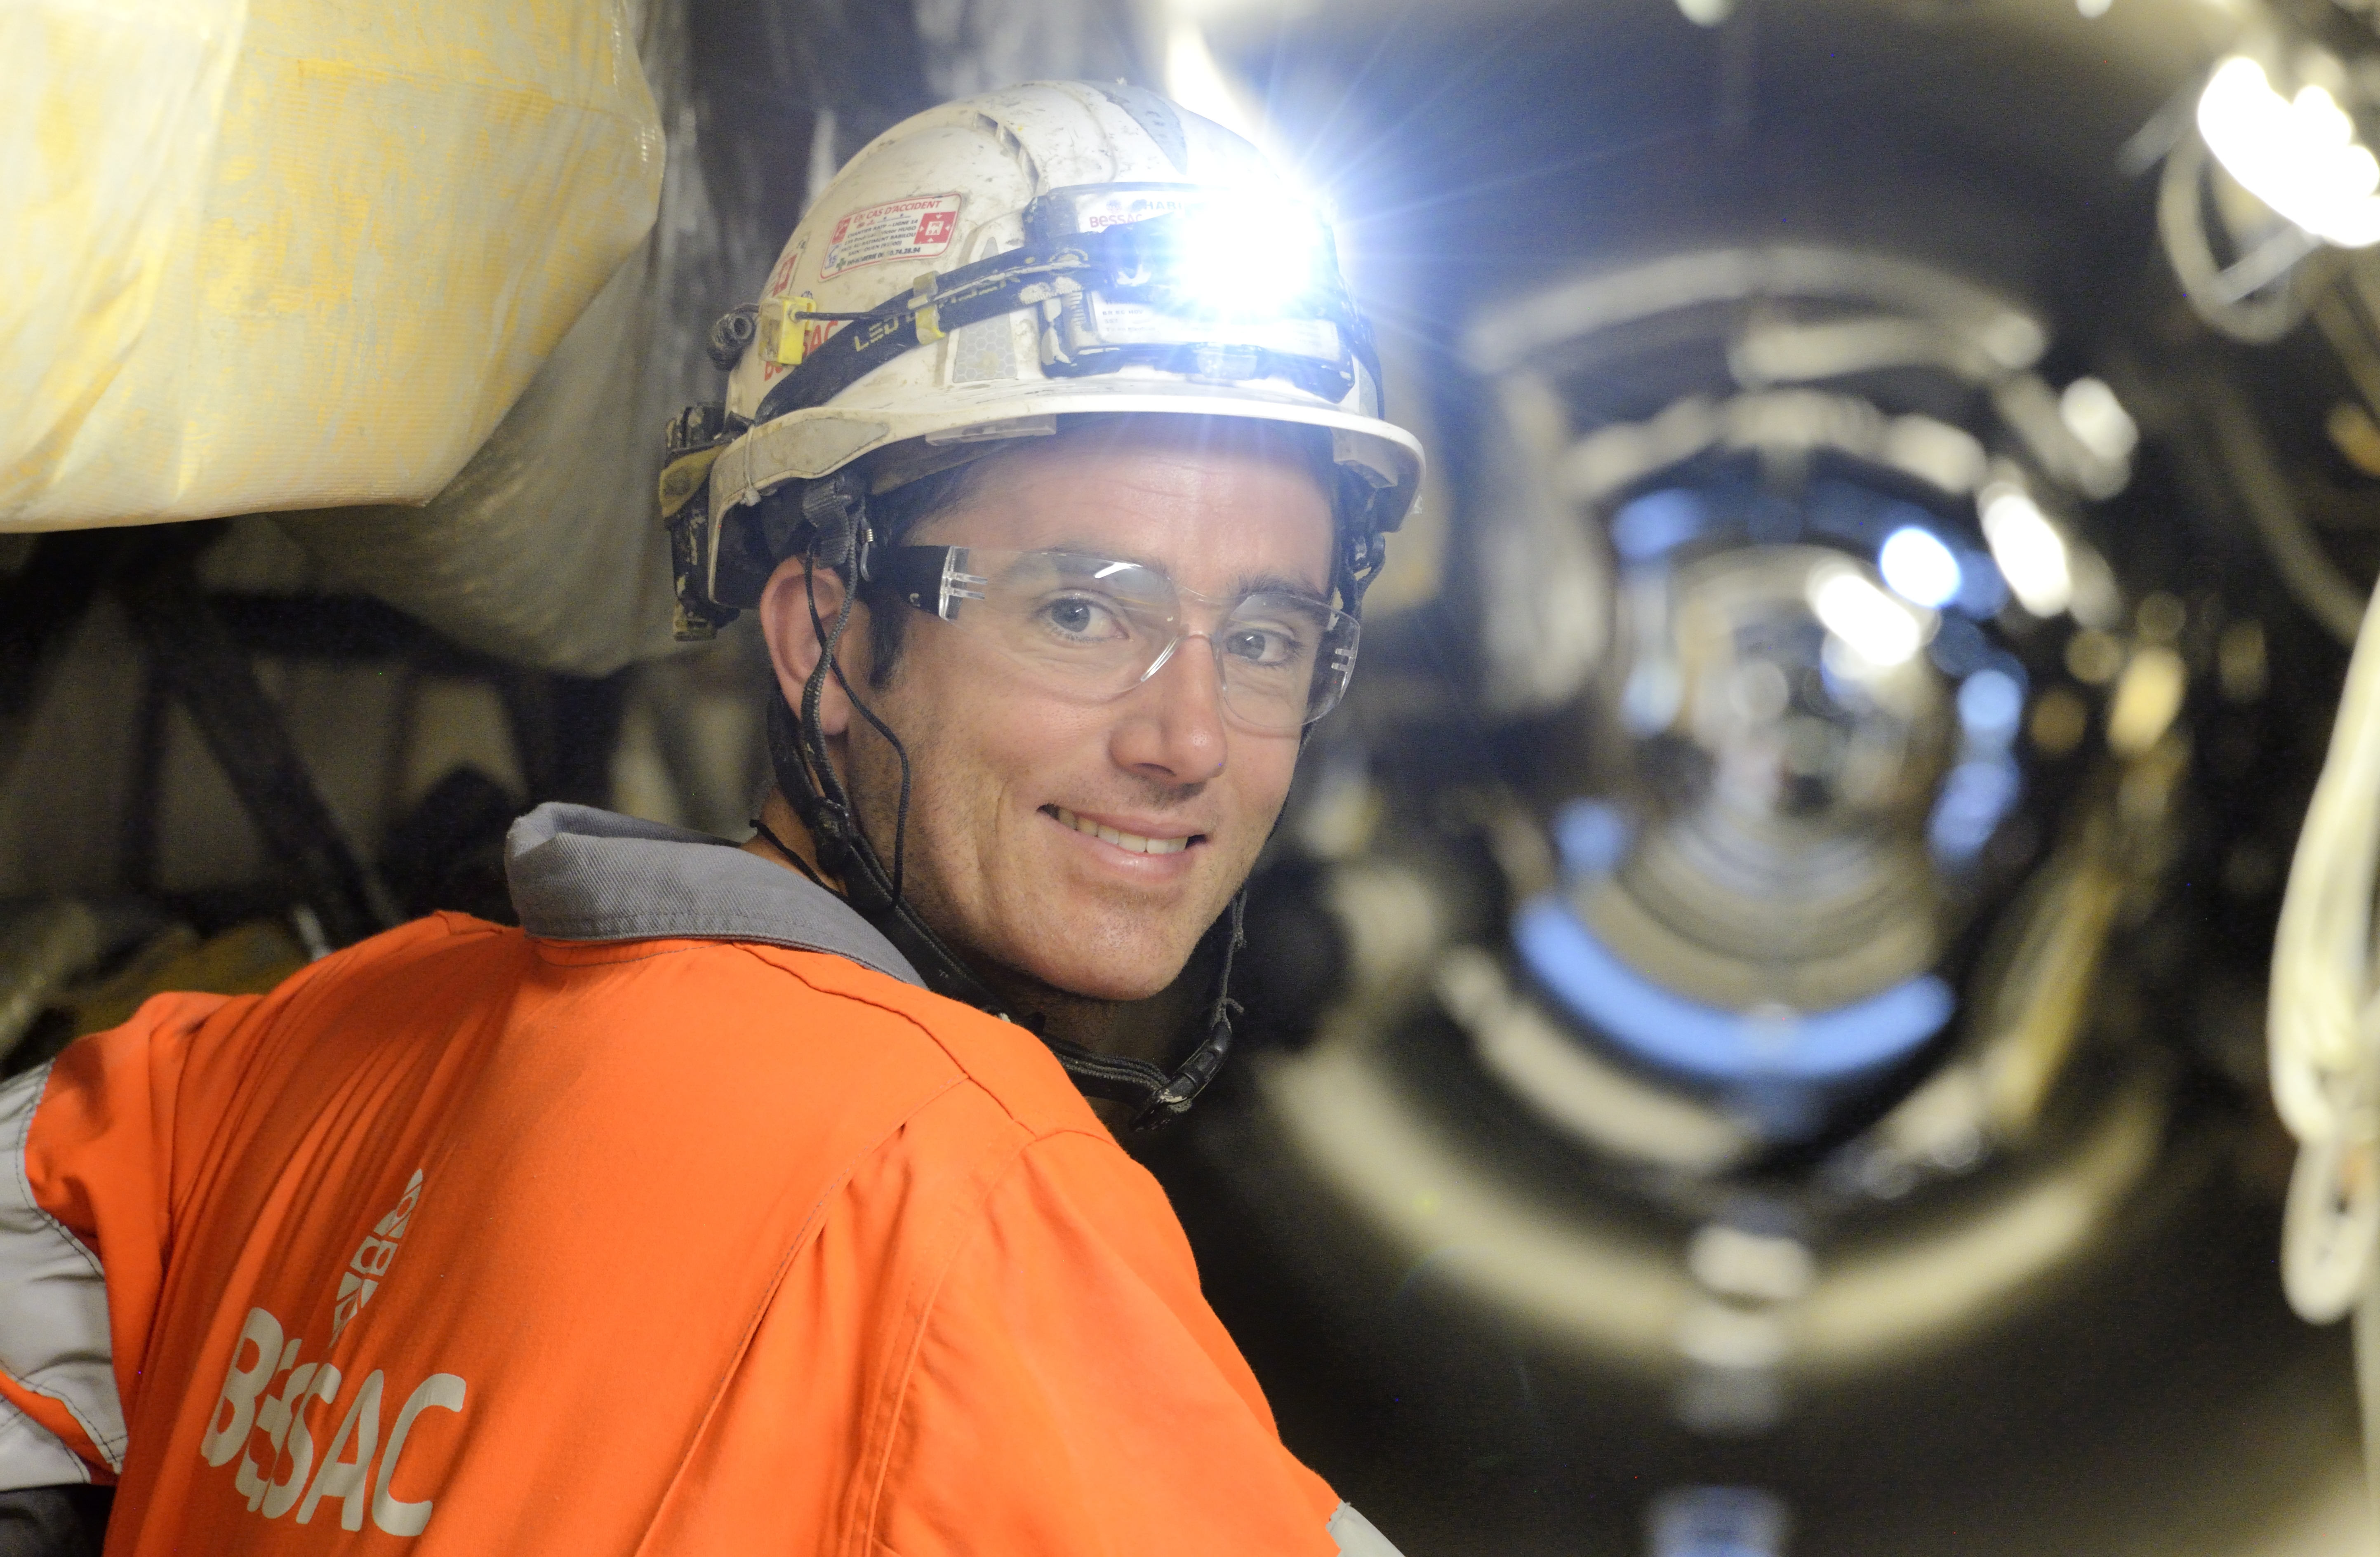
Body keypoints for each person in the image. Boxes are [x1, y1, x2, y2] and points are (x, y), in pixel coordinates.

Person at [0, 80, 1421, 1554]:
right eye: (1078, 612)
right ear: (818, 635)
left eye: (1263, 638)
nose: (1189, 740)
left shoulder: (285, 1054)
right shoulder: (972, 1207)